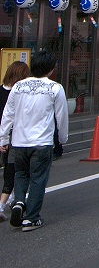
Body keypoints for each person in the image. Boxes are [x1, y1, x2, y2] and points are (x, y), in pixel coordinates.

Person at [0, 51, 68, 232]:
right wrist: (62, 139)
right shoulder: (55, 88)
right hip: (41, 142)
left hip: (19, 141)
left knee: (20, 174)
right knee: (38, 179)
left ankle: (19, 202)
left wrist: (3, 138)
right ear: (51, 69)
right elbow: (61, 116)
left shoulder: (18, 87)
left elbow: (8, 114)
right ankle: (31, 218)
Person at [0, 61, 30, 221]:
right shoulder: (19, 94)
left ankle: (13, 199)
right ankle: (4, 203)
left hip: (5, 137)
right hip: (14, 138)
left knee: (11, 169)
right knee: (13, 170)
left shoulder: (1, 91)